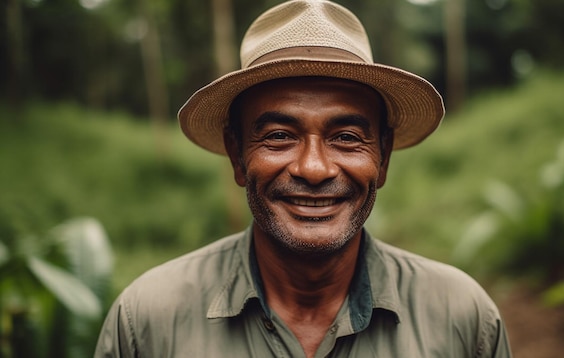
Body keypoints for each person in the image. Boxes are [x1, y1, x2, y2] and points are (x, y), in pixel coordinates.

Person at [95, 0, 512, 357]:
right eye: (279, 136)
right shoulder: (147, 322)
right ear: (237, 156)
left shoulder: (464, 320)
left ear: (383, 157)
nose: (314, 169)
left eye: (346, 138)